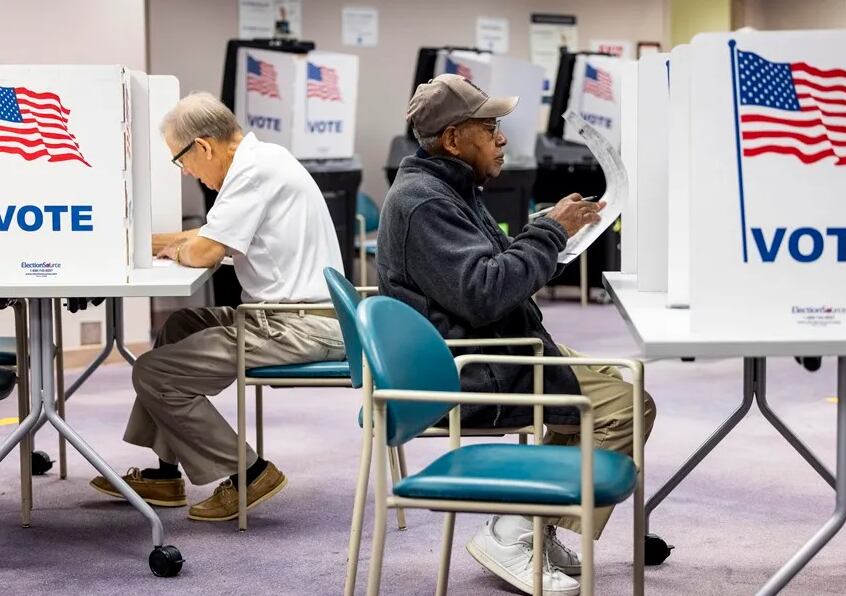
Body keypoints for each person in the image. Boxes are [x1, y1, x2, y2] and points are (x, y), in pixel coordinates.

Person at [376, 74, 657, 595]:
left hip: (493, 347)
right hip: (470, 367)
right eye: (489, 127)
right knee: (624, 404)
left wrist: (543, 226)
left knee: (610, 396)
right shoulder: (426, 202)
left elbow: (482, 267)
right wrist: (550, 232)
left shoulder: (446, 187)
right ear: (454, 139)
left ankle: (532, 526)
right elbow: (483, 291)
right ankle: (513, 530)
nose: (501, 138)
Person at [89, 92, 346, 522]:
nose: (186, 171)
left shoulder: (252, 171)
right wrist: (138, 243)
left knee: (152, 372)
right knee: (180, 325)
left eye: (181, 161)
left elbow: (204, 250)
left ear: (203, 147)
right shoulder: (261, 160)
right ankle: (166, 474)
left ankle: (249, 473)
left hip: (298, 326)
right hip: (286, 315)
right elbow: (197, 239)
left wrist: (177, 246)